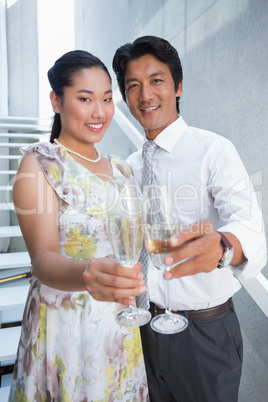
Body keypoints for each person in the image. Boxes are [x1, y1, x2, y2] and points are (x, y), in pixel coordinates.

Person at [112, 35, 267, 401]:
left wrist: (224, 248)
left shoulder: (213, 150)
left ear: (178, 86)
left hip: (204, 334)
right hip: (144, 328)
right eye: (133, 85)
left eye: (156, 80)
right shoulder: (129, 167)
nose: (145, 94)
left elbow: (252, 229)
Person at [9, 50, 149, 401]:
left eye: (106, 99)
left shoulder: (122, 169)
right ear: (56, 100)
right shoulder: (39, 164)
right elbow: (42, 258)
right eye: (85, 99)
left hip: (118, 326)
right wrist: (87, 273)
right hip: (66, 326)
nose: (99, 112)